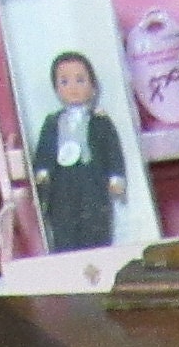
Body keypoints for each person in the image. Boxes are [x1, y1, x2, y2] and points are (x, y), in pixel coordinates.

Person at [30, 49, 127, 253]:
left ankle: (97, 255)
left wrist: (116, 177)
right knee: (63, 224)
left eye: (80, 80)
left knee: (95, 223)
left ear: (93, 86)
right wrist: (41, 172)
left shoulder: (100, 121)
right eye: (64, 82)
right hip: (61, 182)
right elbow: (45, 149)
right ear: (56, 88)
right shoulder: (52, 122)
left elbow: (112, 150)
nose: (73, 88)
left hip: (91, 178)